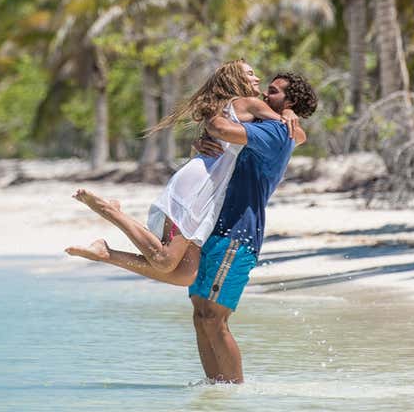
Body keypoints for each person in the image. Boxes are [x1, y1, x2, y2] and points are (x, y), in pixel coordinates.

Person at [68, 71, 318, 384]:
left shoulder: (278, 132)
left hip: (237, 234)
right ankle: (215, 392)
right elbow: (225, 144)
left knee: (214, 317)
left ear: (290, 102)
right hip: (213, 227)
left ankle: (235, 394)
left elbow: (223, 128)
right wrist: (203, 142)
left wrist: (218, 114)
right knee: (201, 316)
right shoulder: (269, 124)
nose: (264, 98)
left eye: (273, 93)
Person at [66, 59, 303, 287]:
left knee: (185, 275)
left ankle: (107, 254)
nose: (257, 78)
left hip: (206, 186)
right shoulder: (248, 103)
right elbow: (295, 134)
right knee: (165, 260)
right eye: (250, 74)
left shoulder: (227, 107)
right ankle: (110, 211)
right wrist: (290, 114)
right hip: (198, 187)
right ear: (235, 80)